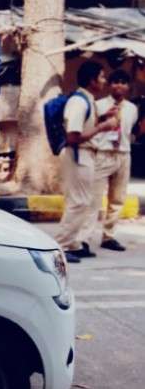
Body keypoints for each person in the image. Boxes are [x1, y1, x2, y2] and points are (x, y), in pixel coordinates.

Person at [54, 61, 118, 263]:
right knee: (78, 201)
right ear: (92, 80)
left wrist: (101, 121)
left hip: (85, 155)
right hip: (78, 154)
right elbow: (73, 136)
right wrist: (103, 127)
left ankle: (73, 243)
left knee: (84, 201)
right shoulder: (79, 102)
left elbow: (84, 127)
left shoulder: (87, 100)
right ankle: (62, 246)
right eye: (101, 77)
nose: (104, 80)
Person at [87, 69, 142, 252]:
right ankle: (84, 238)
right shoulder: (98, 105)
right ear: (109, 85)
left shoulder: (133, 109)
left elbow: (130, 131)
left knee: (117, 199)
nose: (119, 85)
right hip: (103, 153)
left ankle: (108, 236)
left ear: (128, 86)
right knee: (94, 198)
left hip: (123, 154)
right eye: (115, 81)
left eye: (123, 82)